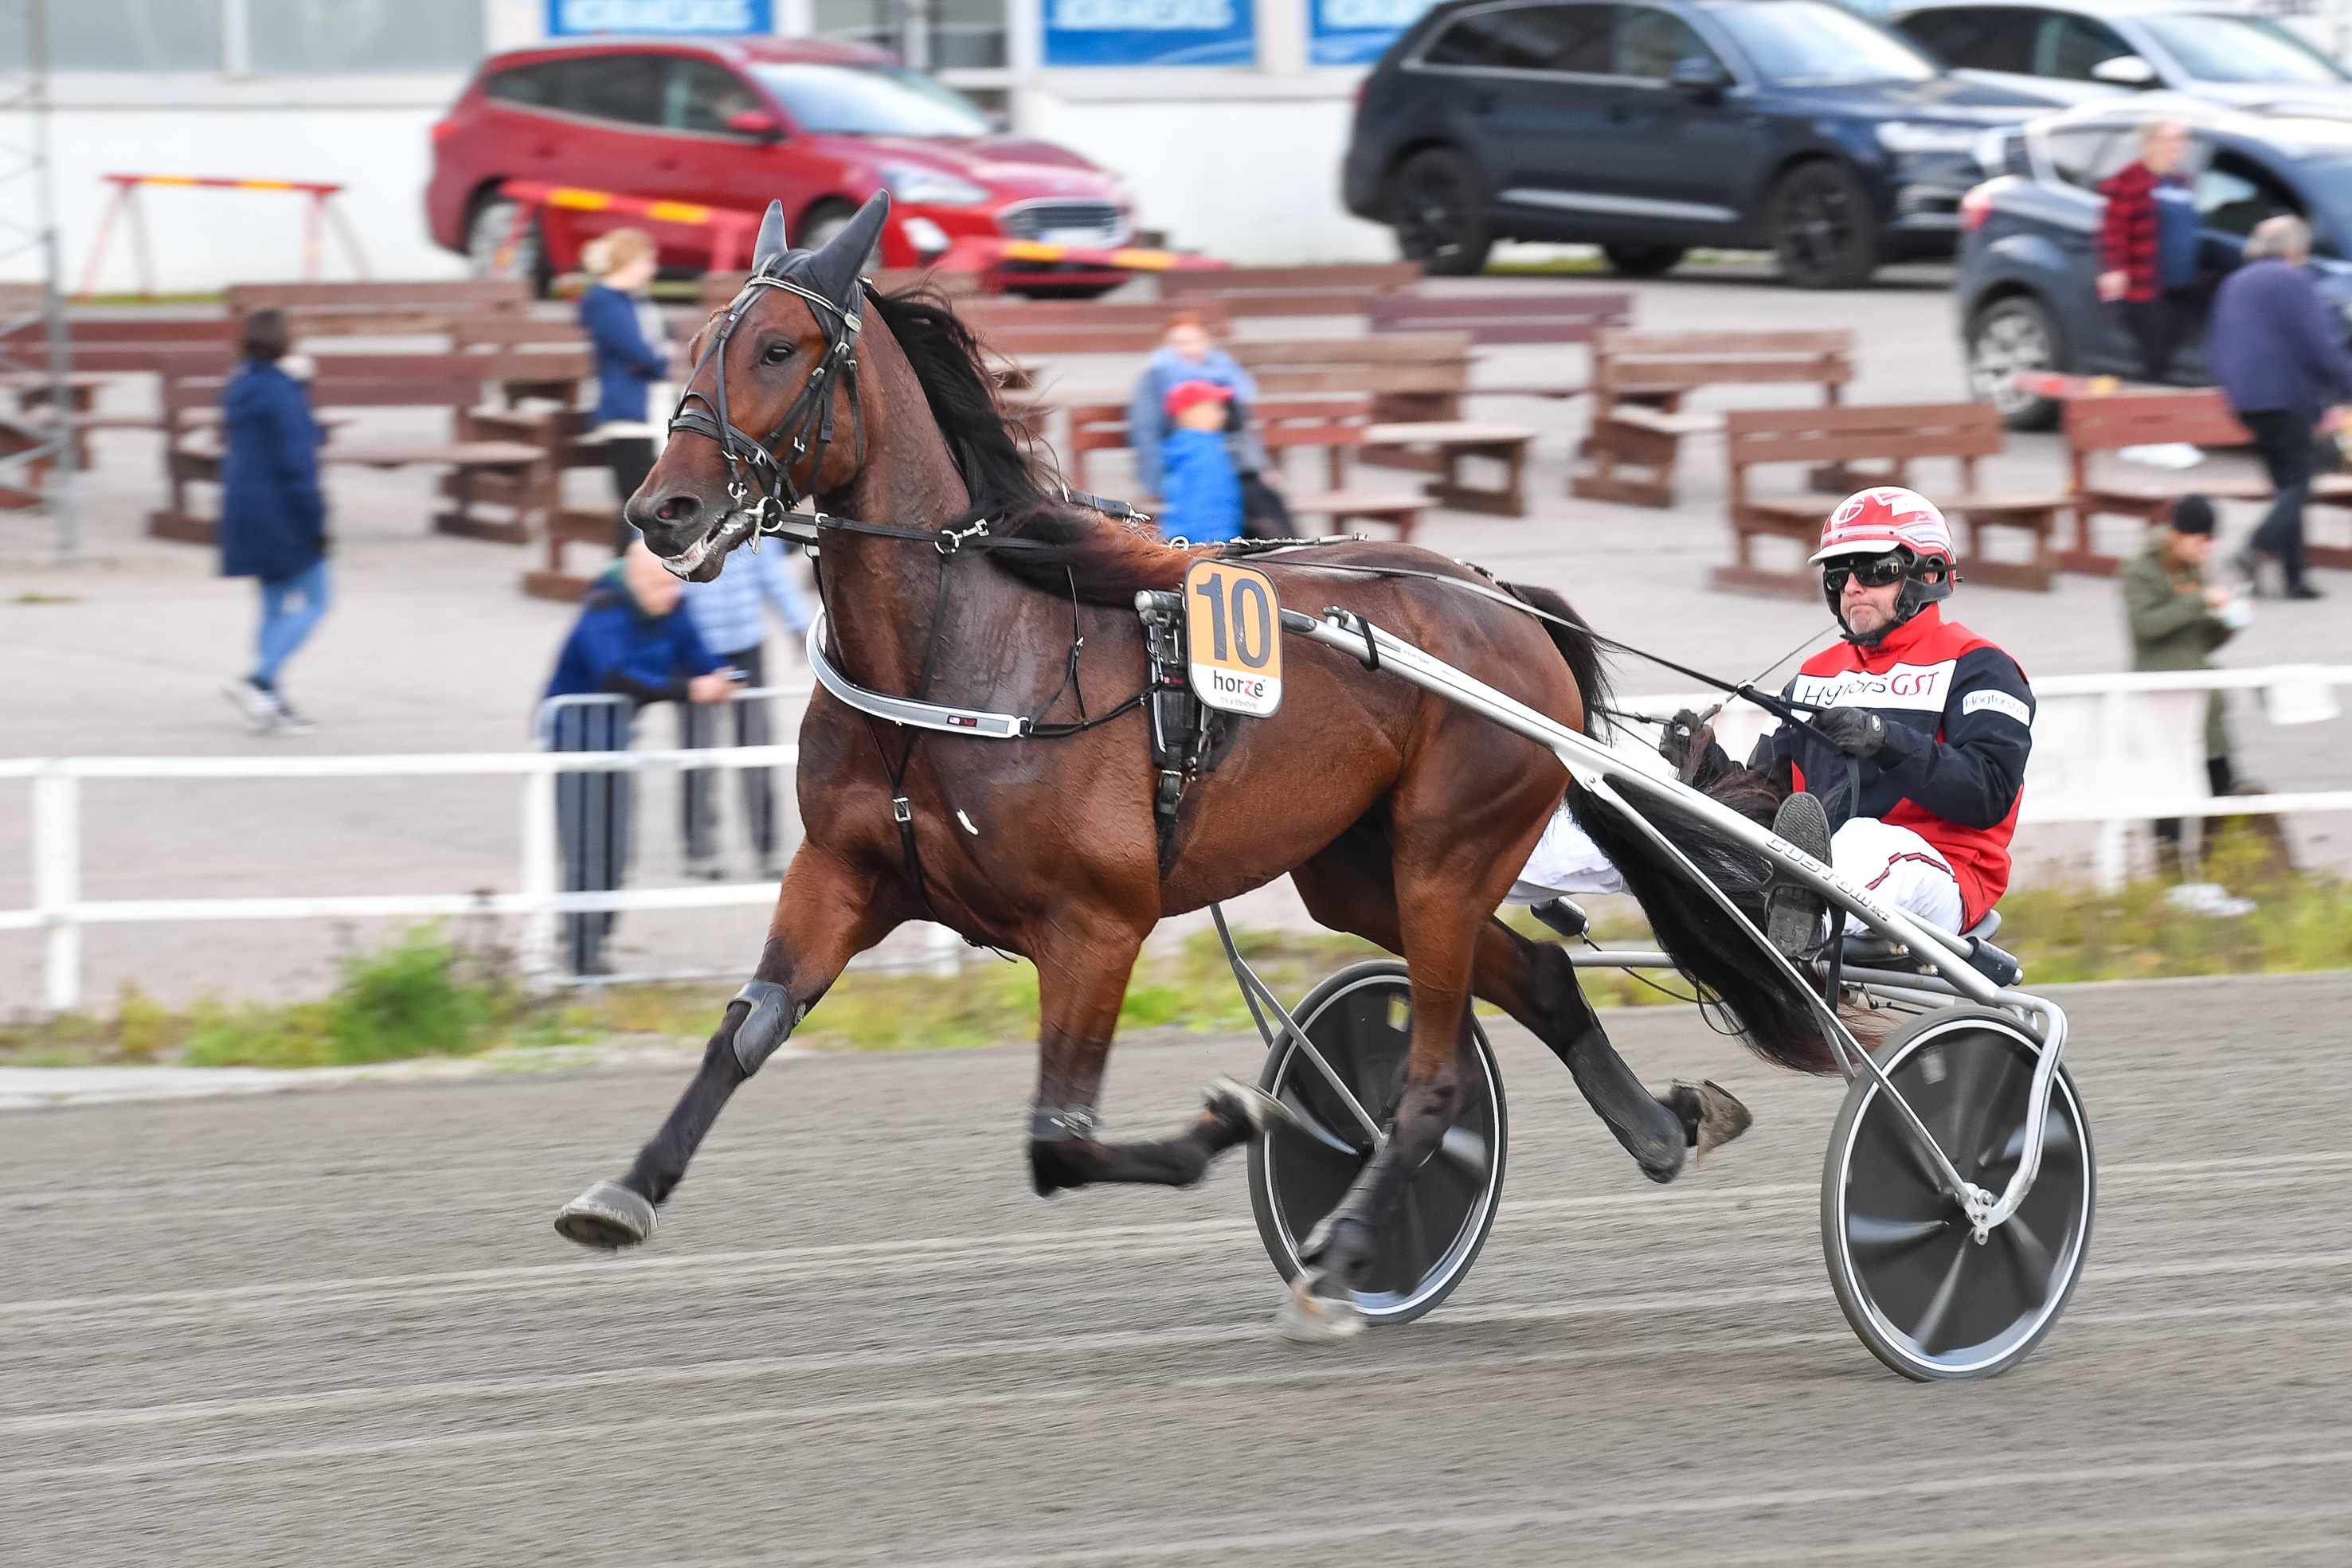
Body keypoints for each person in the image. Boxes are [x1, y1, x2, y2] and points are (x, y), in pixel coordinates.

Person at [1516, 488, 2035, 952]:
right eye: (1839, 575)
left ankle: (1797, 913)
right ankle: (1491, 863)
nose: (1852, 587)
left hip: (1940, 873)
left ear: (1929, 574)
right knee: (1640, 815)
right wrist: (1705, 763)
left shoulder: (1979, 665)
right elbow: (1766, 797)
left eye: (1874, 570)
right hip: (1803, 864)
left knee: (1864, 840)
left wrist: (1883, 740)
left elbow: (1987, 793)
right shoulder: (1816, 674)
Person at [543, 541, 738, 974]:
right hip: (575, 740)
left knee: (617, 850)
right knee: (587, 848)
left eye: (675, 584)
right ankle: (580, 953)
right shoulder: (604, 607)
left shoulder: (669, 603)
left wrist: (721, 673)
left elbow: (695, 652)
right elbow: (617, 674)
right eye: (662, 585)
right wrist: (689, 689)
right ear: (635, 580)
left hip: (616, 738)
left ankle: (598, 941)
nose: (674, 594)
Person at [2206, 213, 2352, 600]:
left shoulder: (2235, 282)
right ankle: (2254, 549)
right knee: (2298, 485)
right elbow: (2318, 344)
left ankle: (2294, 577)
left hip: (2246, 399)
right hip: (2283, 396)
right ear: (2295, 249)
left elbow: (2218, 342)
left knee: (2287, 485)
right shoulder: (2291, 279)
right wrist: (2346, 386)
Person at [218, 307, 328, 737]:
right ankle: (260, 681)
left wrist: (296, 384)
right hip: (283, 509)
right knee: (319, 599)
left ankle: (270, 703)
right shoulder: (283, 391)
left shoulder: (241, 385)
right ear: (286, 344)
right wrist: (315, 517)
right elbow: (299, 455)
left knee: (273, 605)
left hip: (245, 507)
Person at [2123, 494, 2247, 874]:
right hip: (2164, 696)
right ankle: (2170, 873)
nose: (2205, 549)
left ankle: (2221, 869)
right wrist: (2198, 602)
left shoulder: (2195, 567)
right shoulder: (2140, 570)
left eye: (2211, 542)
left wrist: (2228, 622)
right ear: (2177, 534)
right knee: (2169, 786)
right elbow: (2146, 626)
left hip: (2202, 695)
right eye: (2200, 540)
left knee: (2221, 780)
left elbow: (2199, 642)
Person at [677, 539, 814, 882]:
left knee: (756, 749)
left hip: (746, 646)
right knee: (697, 753)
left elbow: (771, 573)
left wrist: (799, 625)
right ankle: (699, 850)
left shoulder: (749, 523)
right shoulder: (683, 519)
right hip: (695, 650)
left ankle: (766, 848)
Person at [1127, 311, 1288, 534]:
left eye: (1195, 341)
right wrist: (1153, 483)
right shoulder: (1157, 378)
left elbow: (1242, 428)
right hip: (1184, 464)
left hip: (1236, 464)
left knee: (1266, 506)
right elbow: (1146, 433)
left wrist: (1261, 466)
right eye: (1180, 343)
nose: (1190, 349)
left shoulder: (1225, 373)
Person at [577, 228, 672, 553]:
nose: (652, 270)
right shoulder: (604, 301)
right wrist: (658, 358)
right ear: (628, 262)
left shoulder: (632, 300)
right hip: (627, 413)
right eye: (647, 261)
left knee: (652, 500)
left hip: (648, 409)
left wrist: (657, 357)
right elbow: (642, 353)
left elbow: (655, 351)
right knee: (636, 502)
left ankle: (648, 566)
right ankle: (625, 568)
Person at [2097, 119, 2199, 385]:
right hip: (2147, 286)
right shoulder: (2131, 178)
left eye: (2180, 139)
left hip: (2181, 286)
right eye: (2169, 139)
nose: (2177, 145)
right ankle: (2145, 402)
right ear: (2151, 144)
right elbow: (2114, 227)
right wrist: (2114, 268)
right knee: (2153, 357)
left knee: (2171, 351)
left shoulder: (2181, 181)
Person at [1155, 380, 1246, 545]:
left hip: (1217, 538)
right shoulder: (1197, 451)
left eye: (1221, 408)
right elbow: (1201, 503)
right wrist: (1211, 541)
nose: (1222, 414)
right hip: (1203, 541)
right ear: (1186, 412)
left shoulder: (1211, 446)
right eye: (1212, 408)